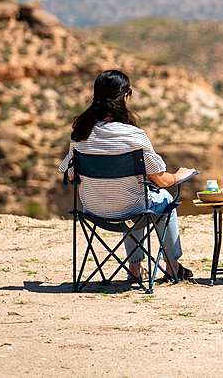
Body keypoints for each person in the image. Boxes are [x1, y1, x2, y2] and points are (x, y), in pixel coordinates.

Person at [59, 69, 196, 283]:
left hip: (93, 211)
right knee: (161, 199)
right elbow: (161, 180)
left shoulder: (80, 134)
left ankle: (134, 269)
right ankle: (173, 267)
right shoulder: (135, 136)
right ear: (125, 97)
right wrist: (180, 175)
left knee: (130, 197)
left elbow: (70, 175)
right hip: (131, 210)